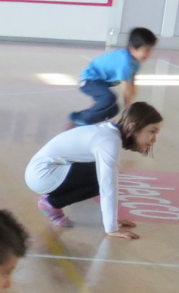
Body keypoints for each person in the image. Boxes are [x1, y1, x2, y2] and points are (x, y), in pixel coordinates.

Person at [27, 102, 162, 239]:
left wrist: (113, 220)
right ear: (132, 127)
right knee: (104, 176)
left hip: (43, 173)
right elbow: (107, 186)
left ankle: (52, 202)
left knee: (104, 172)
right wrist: (111, 228)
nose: (154, 139)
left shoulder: (109, 132)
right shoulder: (109, 140)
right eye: (152, 131)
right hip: (43, 175)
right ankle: (51, 203)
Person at [69, 27, 156, 127]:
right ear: (132, 49)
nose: (150, 53)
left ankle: (88, 120)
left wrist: (131, 107)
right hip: (88, 81)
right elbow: (127, 90)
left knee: (113, 109)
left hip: (100, 82)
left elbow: (132, 84)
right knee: (108, 97)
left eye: (151, 49)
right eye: (146, 50)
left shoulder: (136, 62)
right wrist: (130, 114)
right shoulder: (124, 63)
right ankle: (79, 119)